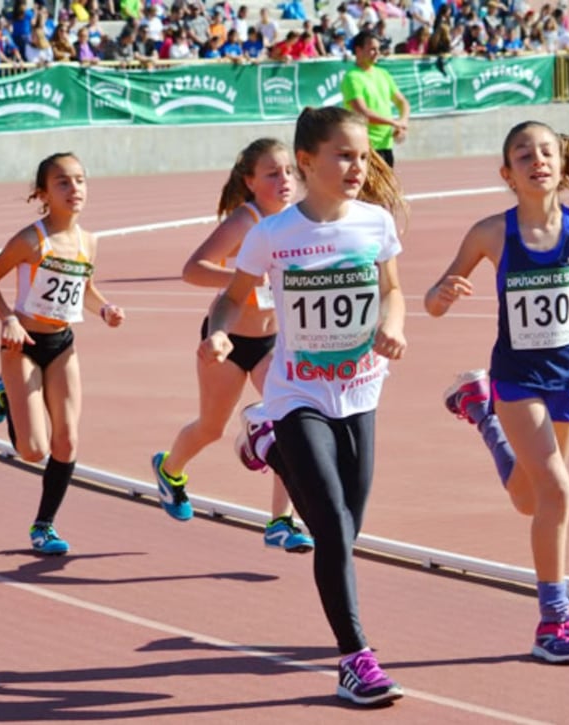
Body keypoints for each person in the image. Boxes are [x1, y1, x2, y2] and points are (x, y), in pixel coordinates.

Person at [204, 106, 408, 706]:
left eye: (363, 157)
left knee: (348, 526)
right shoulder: (272, 235)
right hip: (295, 393)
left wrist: (393, 325)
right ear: (307, 162)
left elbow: (393, 289)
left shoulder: (374, 223)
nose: (357, 167)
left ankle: (264, 445)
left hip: (361, 389)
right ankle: (355, 659)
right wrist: (219, 332)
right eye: (344, 155)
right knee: (332, 529)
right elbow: (231, 298)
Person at [423, 120, 569, 664]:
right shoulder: (492, 233)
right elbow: (433, 302)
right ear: (507, 174)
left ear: (561, 164)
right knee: (557, 492)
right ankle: (553, 622)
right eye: (524, 155)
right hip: (517, 381)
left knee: (528, 499)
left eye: (546, 152)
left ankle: (479, 410)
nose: (537, 160)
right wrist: (442, 294)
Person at [150, 138, 314, 554]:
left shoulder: (299, 219)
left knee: (293, 421)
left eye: (289, 172)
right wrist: (242, 278)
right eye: (272, 173)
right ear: (250, 181)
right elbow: (193, 269)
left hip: (274, 341)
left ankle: (281, 521)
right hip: (226, 339)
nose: (285, 180)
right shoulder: (246, 220)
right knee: (211, 428)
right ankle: (170, 471)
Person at [0, 153, 126, 555]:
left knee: (68, 441)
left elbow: (85, 292)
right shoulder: (31, 240)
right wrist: (8, 318)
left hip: (62, 344)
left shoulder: (88, 242)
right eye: (63, 182)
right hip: (21, 344)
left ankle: (44, 526)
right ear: (43, 193)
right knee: (33, 451)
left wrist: (105, 309)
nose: (74, 188)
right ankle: (4, 394)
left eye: (80, 180)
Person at [340, 30, 410, 168]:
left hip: (386, 144)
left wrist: (403, 122)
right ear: (358, 50)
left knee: (386, 189)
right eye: (372, 49)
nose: (377, 52)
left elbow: (402, 102)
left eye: (378, 49)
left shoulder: (383, 74)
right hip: (365, 146)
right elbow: (363, 112)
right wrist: (394, 123)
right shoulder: (352, 77)